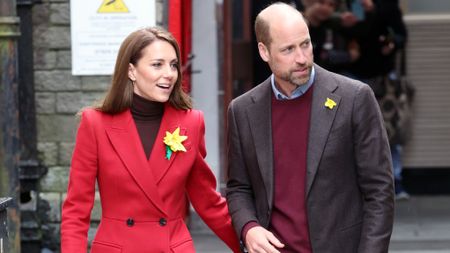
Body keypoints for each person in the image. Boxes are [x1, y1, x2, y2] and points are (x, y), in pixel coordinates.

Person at [226, 2, 394, 253]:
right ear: (264, 51)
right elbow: (238, 187)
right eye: (288, 49)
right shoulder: (242, 111)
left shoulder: (354, 98)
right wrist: (249, 227)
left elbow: (380, 191)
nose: (302, 58)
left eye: (305, 44)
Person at [61, 26, 240, 253]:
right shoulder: (95, 123)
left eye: (173, 65)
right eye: (157, 64)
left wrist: (248, 244)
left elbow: (208, 201)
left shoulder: (191, 123)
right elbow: (76, 211)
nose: (170, 73)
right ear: (131, 71)